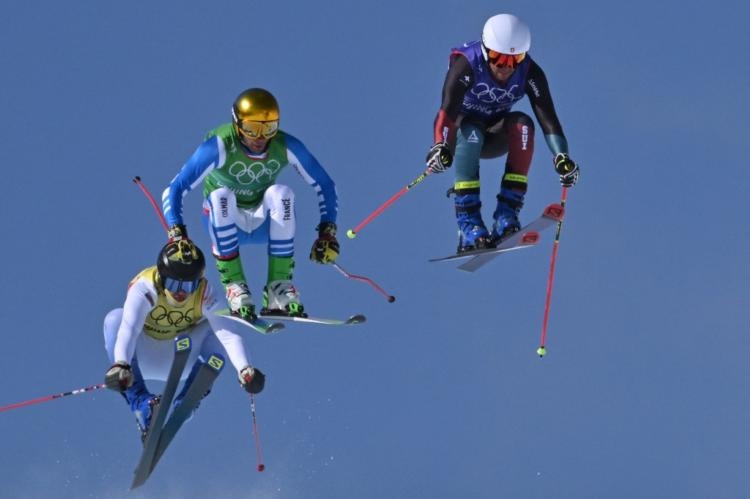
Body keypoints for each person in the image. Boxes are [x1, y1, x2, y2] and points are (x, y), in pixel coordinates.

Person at [162, 88, 340, 321]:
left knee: (282, 193)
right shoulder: (220, 145)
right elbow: (174, 188)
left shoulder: (284, 145)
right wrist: (177, 233)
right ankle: (235, 286)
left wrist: (328, 231)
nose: (260, 137)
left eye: (268, 128)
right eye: (251, 128)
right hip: (225, 220)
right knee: (221, 195)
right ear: (237, 123)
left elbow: (325, 184)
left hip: (262, 222)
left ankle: (279, 287)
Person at [425, 13, 580, 253]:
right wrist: (440, 145)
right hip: (462, 135)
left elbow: (549, 119)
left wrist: (562, 157)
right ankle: (469, 226)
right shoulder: (467, 63)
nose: (505, 67)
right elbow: (447, 111)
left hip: (496, 135)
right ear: (487, 51)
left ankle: (506, 217)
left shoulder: (530, 73)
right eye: (498, 58)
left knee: (524, 124)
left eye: (514, 59)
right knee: (471, 128)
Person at [103, 239, 266, 438]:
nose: (181, 292)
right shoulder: (146, 286)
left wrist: (245, 369)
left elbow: (229, 334)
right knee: (114, 319)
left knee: (215, 327)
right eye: (173, 284)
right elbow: (129, 328)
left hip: (180, 357)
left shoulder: (205, 293)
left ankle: (188, 401)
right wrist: (121, 364)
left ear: (198, 281)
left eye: (189, 286)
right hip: (139, 359)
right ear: (162, 278)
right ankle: (144, 406)